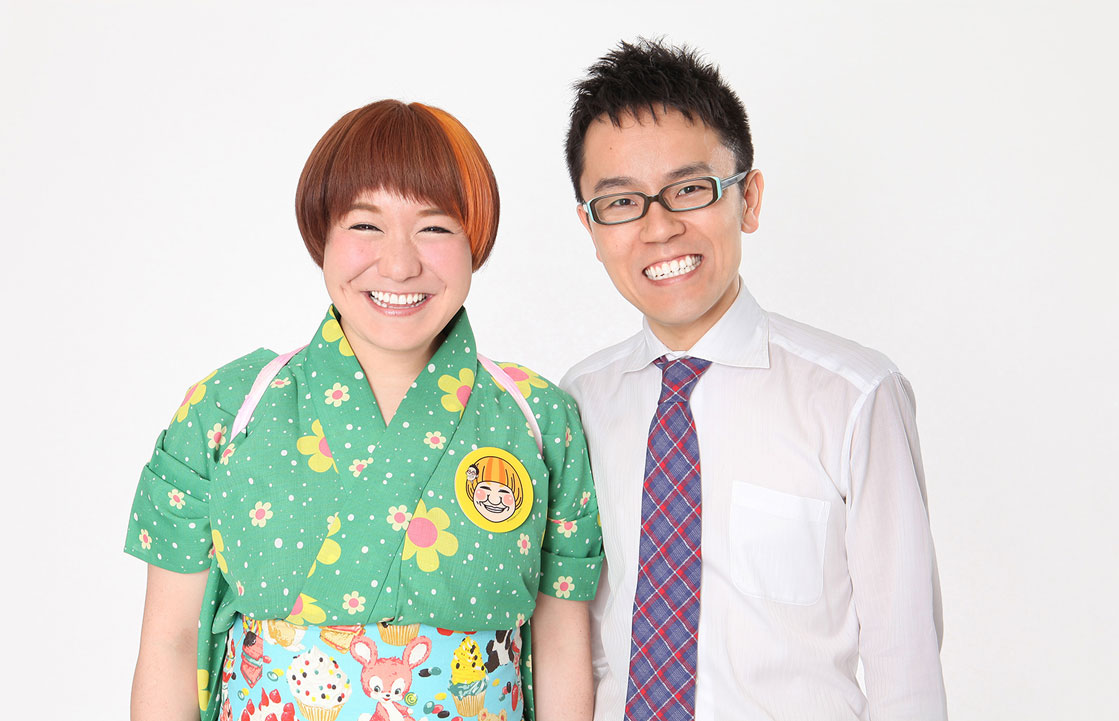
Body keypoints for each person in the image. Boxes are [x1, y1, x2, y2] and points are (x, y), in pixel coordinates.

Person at [125, 100, 602, 721]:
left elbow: (562, 643)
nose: (399, 265)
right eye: (365, 225)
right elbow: (170, 641)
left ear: (475, 241)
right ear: (320, 235)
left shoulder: (538, 419)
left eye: (435, 228)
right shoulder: (227, 409)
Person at [560, 40, 947, 720]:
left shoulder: (854, 397)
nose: (659, 227)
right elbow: (580, 646)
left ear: (750, 199)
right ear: (591, 228)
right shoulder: (577, 403)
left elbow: (904, 665)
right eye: (621, 202)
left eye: (689, 190)